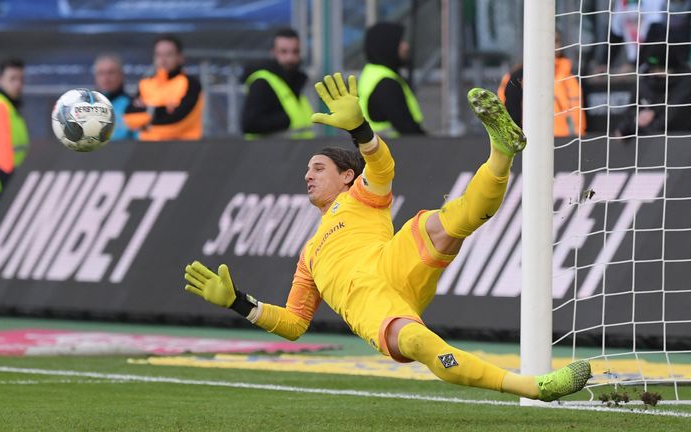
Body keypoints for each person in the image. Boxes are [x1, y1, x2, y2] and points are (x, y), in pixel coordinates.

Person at [184, 72, 591, 401]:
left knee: (445, 220)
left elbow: (381, 167)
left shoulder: (361, 198)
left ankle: (501, 150)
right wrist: (239, 302)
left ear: (347, 176)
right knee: (418, 341)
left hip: (394, 261)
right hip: (372, 305)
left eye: (318, 167)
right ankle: (534, 387)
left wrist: (360, 130)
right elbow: (293, 324)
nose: (307, 175)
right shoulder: (308, 255)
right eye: (306, 169)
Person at [497, 32, 586, 137]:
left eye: (555, 41)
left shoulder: (572, 77)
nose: (552, 45)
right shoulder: (517, 76)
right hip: (533, 144)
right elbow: (509, 115)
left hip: (573, 142)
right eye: (546, 41)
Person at [124, 35, 203, 141]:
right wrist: (163, 110)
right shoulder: (145, 84)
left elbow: (177, 121)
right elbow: (129, 118)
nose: (163, 60)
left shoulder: (190, 84)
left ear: (180, 57)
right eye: (158, 55)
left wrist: (146, 118)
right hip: (148, 148)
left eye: (169, 54)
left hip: (184, 149)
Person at [241, 28, 314, 139]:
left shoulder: (297, 82)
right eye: (283, 51)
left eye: (295, 51)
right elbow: (250, 124)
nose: (290, 58)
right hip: (270, 152)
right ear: (274, 52)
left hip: (295, 151)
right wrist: (286, 119)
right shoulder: (262, 82)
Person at [358, 22, 425, 136]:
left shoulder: (372, 73)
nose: (406, 46)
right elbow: (408, 130)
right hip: (397, 151)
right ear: (387, 45)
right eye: (400, 42)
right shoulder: (386, 83)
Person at [0, 59, 29, 222]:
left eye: (21, 79)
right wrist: (11, 190)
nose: (18, 84)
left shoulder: (6, 105)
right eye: (12, 78)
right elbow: (0, 157)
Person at [93, 53, 137, 141]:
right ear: (95, 77)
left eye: (111, 72)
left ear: (121, 76)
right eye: (101, 73)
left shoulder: (133, 106)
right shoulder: (84, 107)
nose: (106, 78)